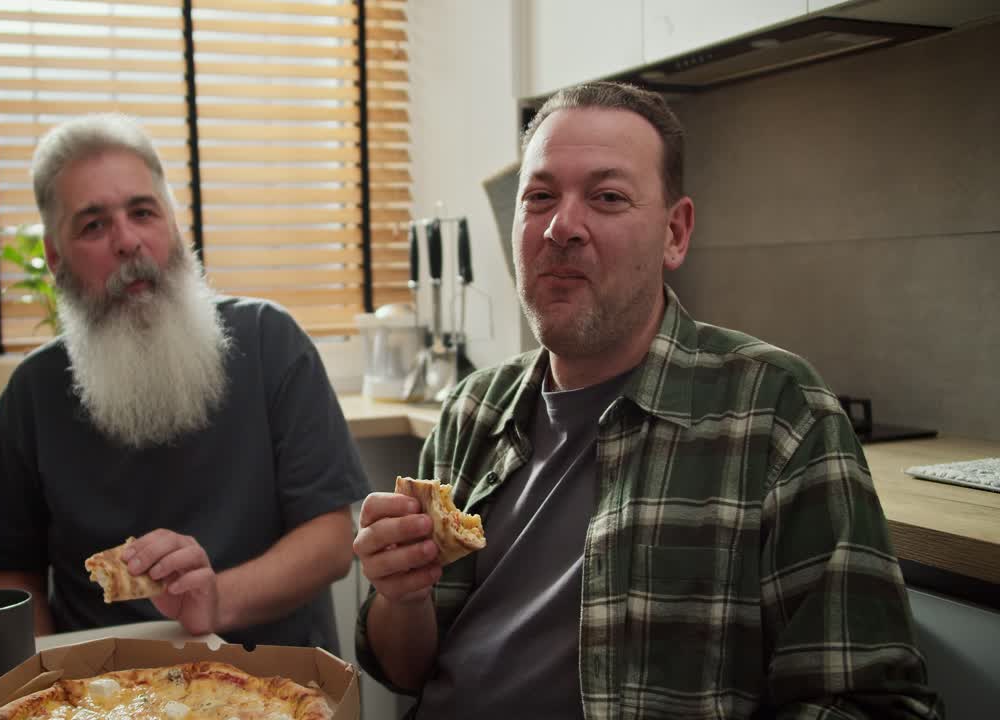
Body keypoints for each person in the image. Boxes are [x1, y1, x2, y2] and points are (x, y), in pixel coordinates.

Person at [352, 82, 940, 718]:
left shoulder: (778, 416)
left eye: (607, 197)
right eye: (540, 197)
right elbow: (403, 671)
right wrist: (402, 598)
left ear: (675, 233)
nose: (561, 226)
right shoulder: (473, 411)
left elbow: (870, 703)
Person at [0, 114, 368, 653]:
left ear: (174, 226)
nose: (128, 241)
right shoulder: (29, 396)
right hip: (102, 696)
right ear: (55, 259)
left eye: (143, 212)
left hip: (271, 681)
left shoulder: (272, 341)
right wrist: (52, 691)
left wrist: (213, 600)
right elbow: (15, 580)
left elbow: (332, 541)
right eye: (93, 225)